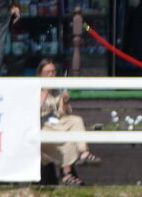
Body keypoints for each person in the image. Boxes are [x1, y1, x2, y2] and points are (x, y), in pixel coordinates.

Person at [38, 58, 102, 186]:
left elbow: (65, 113)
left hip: (56, 125)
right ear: (40, 75)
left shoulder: (56, 92)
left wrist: (65, 102)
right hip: (41, 127)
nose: (51, 75)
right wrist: (45, 91)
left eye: (53, 72)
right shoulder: (35, 90)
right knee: (68, 136)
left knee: (76, 121)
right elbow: (35, 111)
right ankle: (67, 174)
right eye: (47, 73)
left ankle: (84, 152)